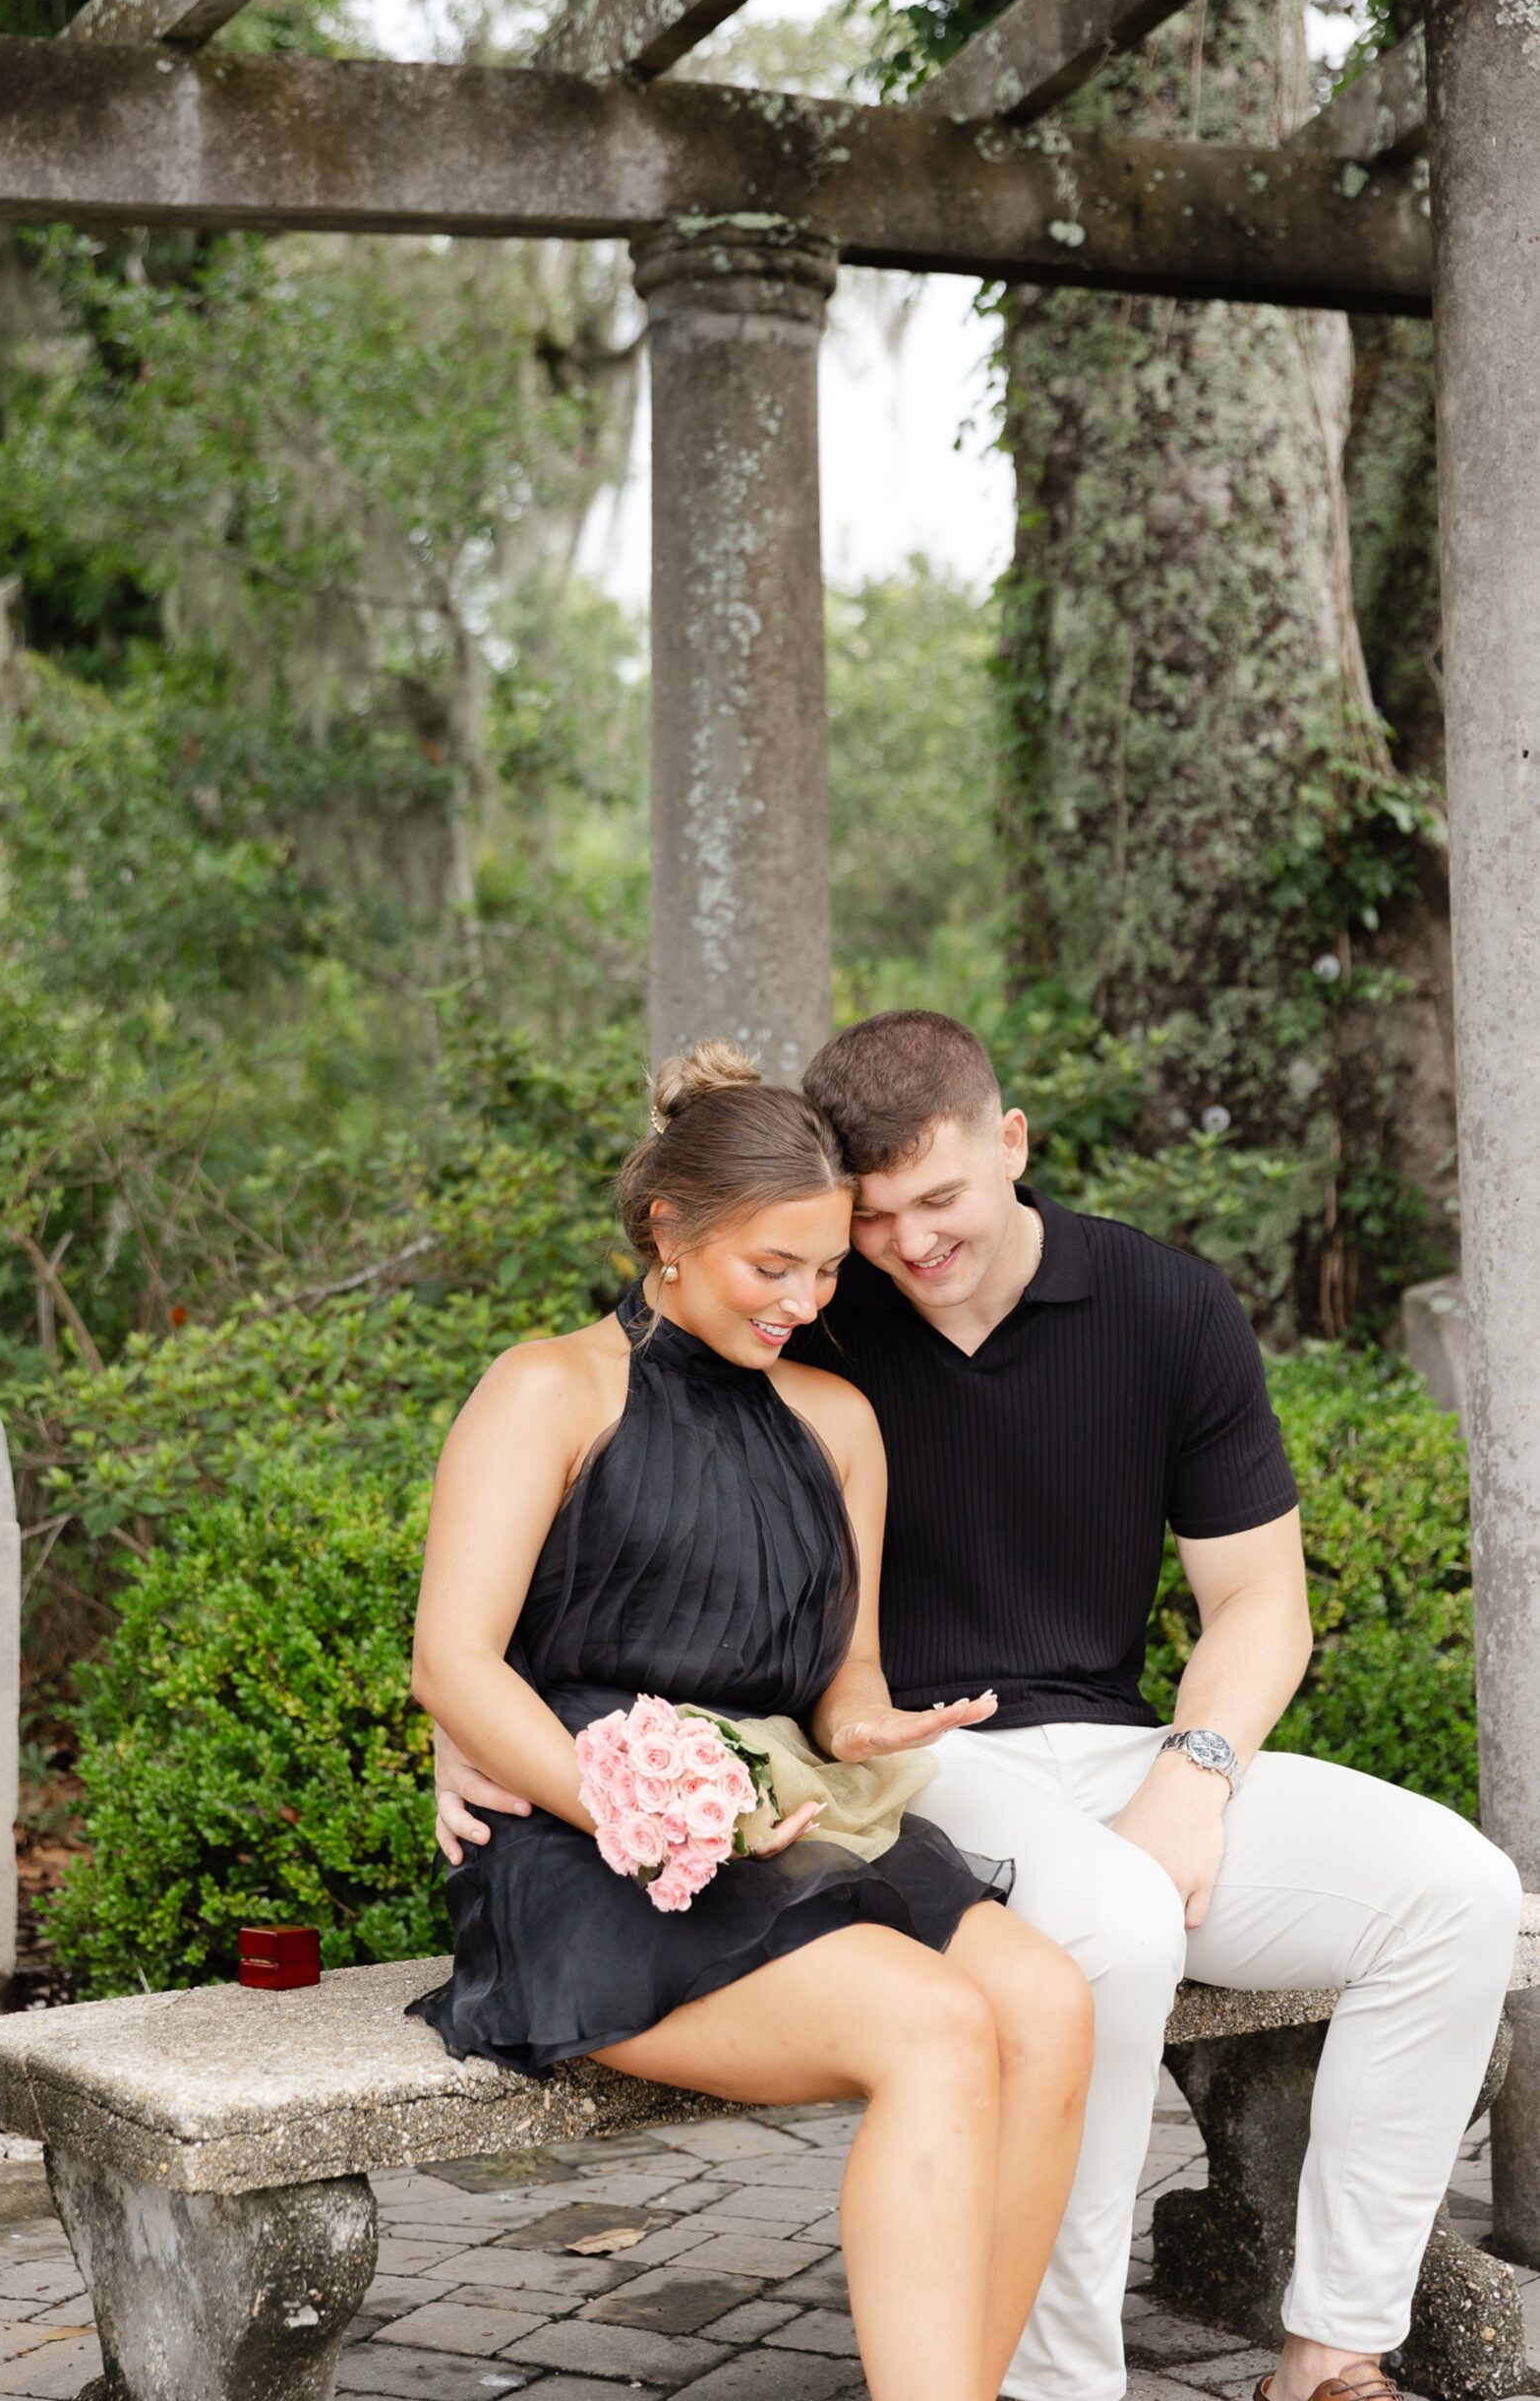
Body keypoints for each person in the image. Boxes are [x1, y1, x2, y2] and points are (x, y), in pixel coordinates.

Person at [438, 1008, 1523, 2401]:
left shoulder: (1155, 1307)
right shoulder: (799, 1315)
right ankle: (1058, 2379)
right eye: (864, 1226)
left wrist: (1195, 1768)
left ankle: (1331, 2357)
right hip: (926, 1784)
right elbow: (568, 1567)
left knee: (1459, 1893)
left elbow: (1261, 1605)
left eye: (933, 1203)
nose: (898, 1251)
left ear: (1011, 1144)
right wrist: (490, 1742)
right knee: (1105, 1933)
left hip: (1107, 1749)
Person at [410, 1039, 1094, 2401]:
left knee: (1051, 2004)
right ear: (670, 1228)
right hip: (590, 1847)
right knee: (937, 2028)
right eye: (770, 1268)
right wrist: (639, 1800)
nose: (805, 1299)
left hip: (789, 1822)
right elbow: (453, 1663)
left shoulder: (838, 1420)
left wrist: (872, 1724)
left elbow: (839, 1678)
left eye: (828, 1268)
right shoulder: (548, 1389)